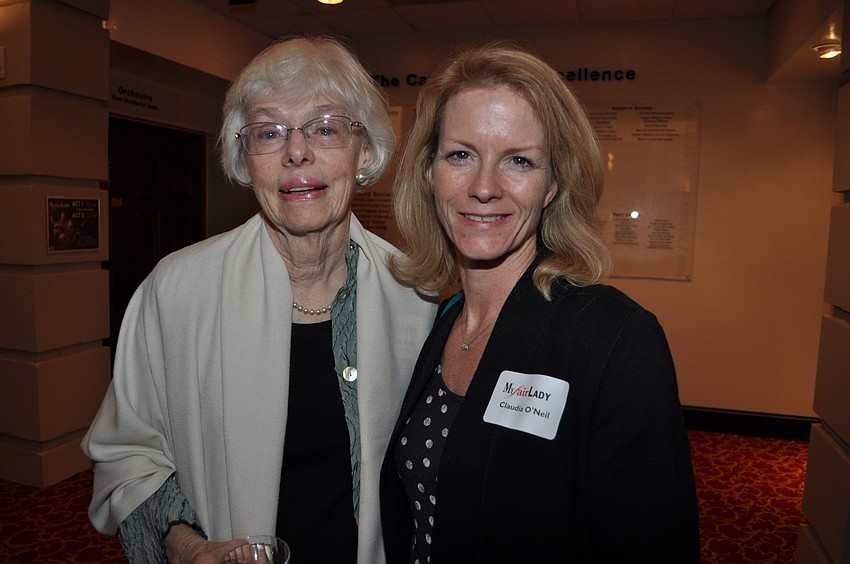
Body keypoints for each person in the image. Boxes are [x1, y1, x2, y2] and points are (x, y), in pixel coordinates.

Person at [82, 36, 437, 564]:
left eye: (324, 127)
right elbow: (126, 455)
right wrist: (186, 545)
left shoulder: (414, 295)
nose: (297, 152)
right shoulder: (177, 291)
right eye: (269, 133)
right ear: (245, 159)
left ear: (365, 151)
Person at [380, 43, 700, 562]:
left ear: (553, 184)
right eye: (460, 155)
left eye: (519, 161)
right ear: (428, 172)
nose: (484, 187)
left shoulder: (614, 339)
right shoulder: (436, 321)